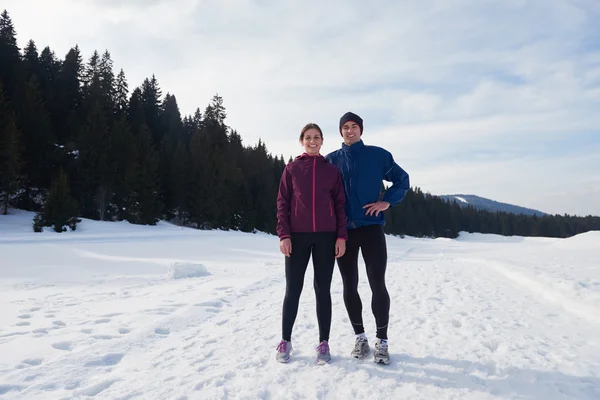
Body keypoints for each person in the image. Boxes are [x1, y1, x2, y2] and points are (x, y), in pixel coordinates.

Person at [325, 112, 410, 365]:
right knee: (349, 285)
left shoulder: (378, 155)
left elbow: (402, 180)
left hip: (372, 228)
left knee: (377, 283)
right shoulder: (331, 161)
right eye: (345, 127)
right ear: (340, 132)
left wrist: (386, 202)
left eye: (354, 127)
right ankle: (360, 338)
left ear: (361, 130)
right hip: (344, 233)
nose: (350, 131)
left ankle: (382, 341)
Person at [275, 123, 348, 365]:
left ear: (322, 141)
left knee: (323, 290)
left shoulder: (332, 171)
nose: (313, 141)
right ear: (302, 141)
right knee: (292, 290)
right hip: (297, 237)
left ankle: (324, 343)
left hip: (326, 237)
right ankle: (285, 340)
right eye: (308, 137)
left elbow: (340, 206)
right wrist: (284, 235)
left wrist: (341, 236)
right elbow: (282, 203)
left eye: (317, 137)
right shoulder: (292, 169)